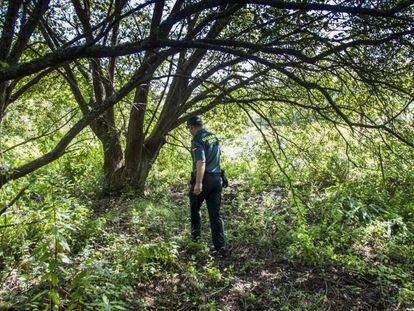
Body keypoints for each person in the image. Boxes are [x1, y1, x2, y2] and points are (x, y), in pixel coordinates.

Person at [187, 115, 227, 257]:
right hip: (217, 179)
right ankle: (220, 247)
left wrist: (198, 183)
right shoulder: (213, 137)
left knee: (195, 208)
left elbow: (201, 161)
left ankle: (196, 240)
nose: (190, 131)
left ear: (192, 127)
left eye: (189, 129)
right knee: (215, 215)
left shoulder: (197, 139)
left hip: (204, 179)